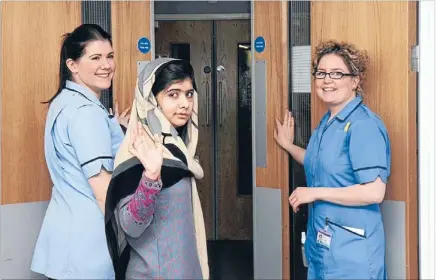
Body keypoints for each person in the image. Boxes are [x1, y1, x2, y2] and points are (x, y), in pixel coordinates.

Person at [274, 40, 391, 279]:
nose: (327, 80)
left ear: (355, 81)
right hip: (324, 248)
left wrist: (314, 193)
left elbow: (374, 192)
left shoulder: (363, 125)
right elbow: (319, 163)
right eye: (321, 73)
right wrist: (288, 146)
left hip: (352, 254)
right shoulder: (328, 122)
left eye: (337, 73)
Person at [31, 24, 129, 279]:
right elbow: (103, 192)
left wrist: (114, 128)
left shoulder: (64, 102)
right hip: (89, 249)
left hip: (65, 244)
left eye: (109, 56)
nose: (106, 65)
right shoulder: (86, 113)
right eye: (95, 58)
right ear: (72, 65)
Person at [105, 58, 209, 280]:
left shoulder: (178, 149)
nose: (185, 103)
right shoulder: (139, 150)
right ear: (151, 100)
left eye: (189, 94)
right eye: (173, 94)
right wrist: (151, 177)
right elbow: (130, 226)